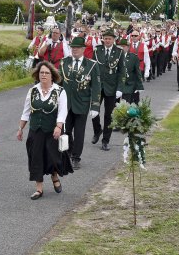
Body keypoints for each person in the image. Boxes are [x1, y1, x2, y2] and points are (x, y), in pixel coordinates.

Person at [17, 61, 73, 200]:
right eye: (41, 72)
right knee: (36, 158)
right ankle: (39, 189)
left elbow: (62, 112)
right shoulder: (32, 91)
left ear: (52, 76)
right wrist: (20, 129)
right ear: (38, 74)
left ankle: (54, 175)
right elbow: (26, 112)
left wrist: (59, 126)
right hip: (35, 130)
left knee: (53, 158)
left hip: (52, 130)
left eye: (46, 73)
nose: (43, 75)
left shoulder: (60, 91)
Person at [59, 37, 101, 169]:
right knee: (65, 132)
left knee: (79, 132)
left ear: (83, 49)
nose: (74, 49)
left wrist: (95, 106)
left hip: (82, 104)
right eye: (73, 47)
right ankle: (67, 153)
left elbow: (96, 86)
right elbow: (58, 84)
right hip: (66, 104)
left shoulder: (91, 65)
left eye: (77, 47)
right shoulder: (64, 62)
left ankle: (76, 157)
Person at [92, 29, 124, 151]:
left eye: (109, 39)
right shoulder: (97, 50)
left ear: (113, 40)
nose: (107, 40)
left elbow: (122, 71)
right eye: (105, 38)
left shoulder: (119, 52)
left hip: (112, 88)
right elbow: (92, 68)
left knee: (108, 115)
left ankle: (106, 140)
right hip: (98, 86)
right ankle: (97, 130)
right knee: (94, 111)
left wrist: (120, 88)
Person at [119, 39, 144, 104]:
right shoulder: (115, 57)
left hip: (129, 85)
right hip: (117, 85)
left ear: (128, 47)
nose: (122, 48)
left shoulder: (133, 57)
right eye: (120, 46)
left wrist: (139, 86)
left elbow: (137, 72)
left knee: (127, 105)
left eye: (123, 46)